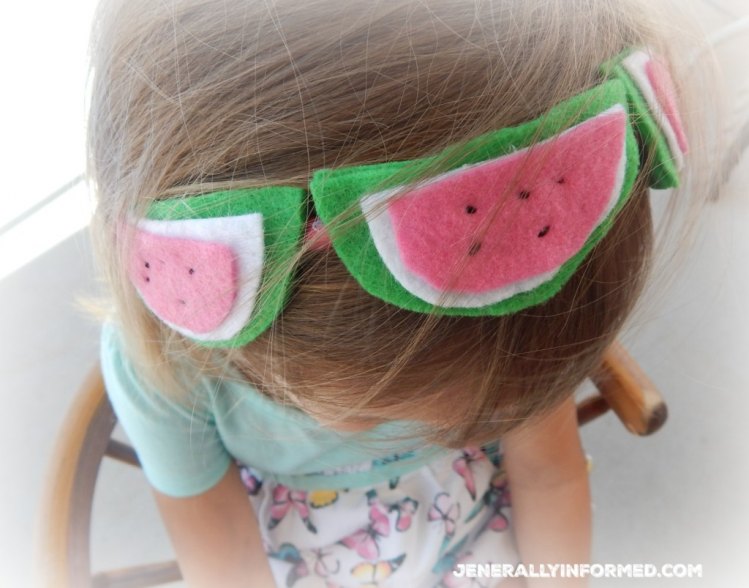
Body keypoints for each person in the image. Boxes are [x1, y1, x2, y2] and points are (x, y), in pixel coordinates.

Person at [87, 0, 708, 586]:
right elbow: (224, 558)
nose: (441, 430)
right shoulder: (161, 369)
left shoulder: (515, 318)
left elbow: (549, 478)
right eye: (402, 409)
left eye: (475, 415)